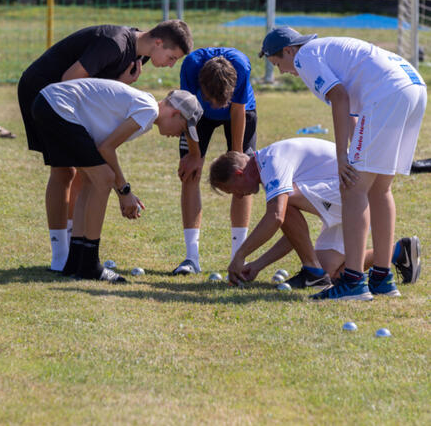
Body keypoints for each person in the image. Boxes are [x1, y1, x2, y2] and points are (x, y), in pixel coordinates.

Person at [259, 27, 427, 300]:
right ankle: (382, 278)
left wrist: (342, 157)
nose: (281, 71)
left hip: (388, 93)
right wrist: (351, 150)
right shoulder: (326, 49)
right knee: (379, 188)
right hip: (414, 88)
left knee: (353, 188)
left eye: (278, 63)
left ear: (289, 50)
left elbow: (339, 97)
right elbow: (349, 110)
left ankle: (353, 282)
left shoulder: (305, 57)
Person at [18, 20, 193, 271]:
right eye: (171, 56)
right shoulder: (114, 44)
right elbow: (69, 80)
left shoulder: (138, 57)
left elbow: (102, 92)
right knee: (65, 171)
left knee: (89, 174)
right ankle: (61, 256)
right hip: (43, 90)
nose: (170, 64)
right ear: (157, 42)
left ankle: (73, 255)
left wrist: (121, 84)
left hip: (67, 104)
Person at [30, 78, 203, 283]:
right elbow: (107, 149)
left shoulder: (144, 106)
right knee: (104, 179)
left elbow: (101, 147)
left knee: (90, 180)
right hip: (57, 107)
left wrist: (122, 189)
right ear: (175, 114)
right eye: (183, 129)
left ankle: (75, 261)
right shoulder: (149, 110)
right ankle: (89, 265)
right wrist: (124, 191)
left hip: (47, 103)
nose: (179, 135)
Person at [209, 139, 422, 292]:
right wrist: (257, 265)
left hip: (354, 195)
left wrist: (239, 255)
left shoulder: (271, 161)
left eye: (232, 190)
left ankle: (312, 273)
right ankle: (398, 252)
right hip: (351, 200)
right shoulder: (268, 167)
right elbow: (294, 235)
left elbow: (276, 217)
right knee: (332, 273)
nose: (238, 196)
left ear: (239, 174)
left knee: (282, 201)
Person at [172, 47, 257, 275]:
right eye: (212, 99)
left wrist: (238, 157)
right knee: (190, 173)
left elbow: (237, 110)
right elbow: (188, 111)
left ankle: (238, 257)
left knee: (243, 179)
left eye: (222, 101)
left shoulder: (241, 65)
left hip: (240, 113)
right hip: (198, 115)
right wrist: (194, 155)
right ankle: (191, 258)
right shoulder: (190, 65)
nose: (218, 105)